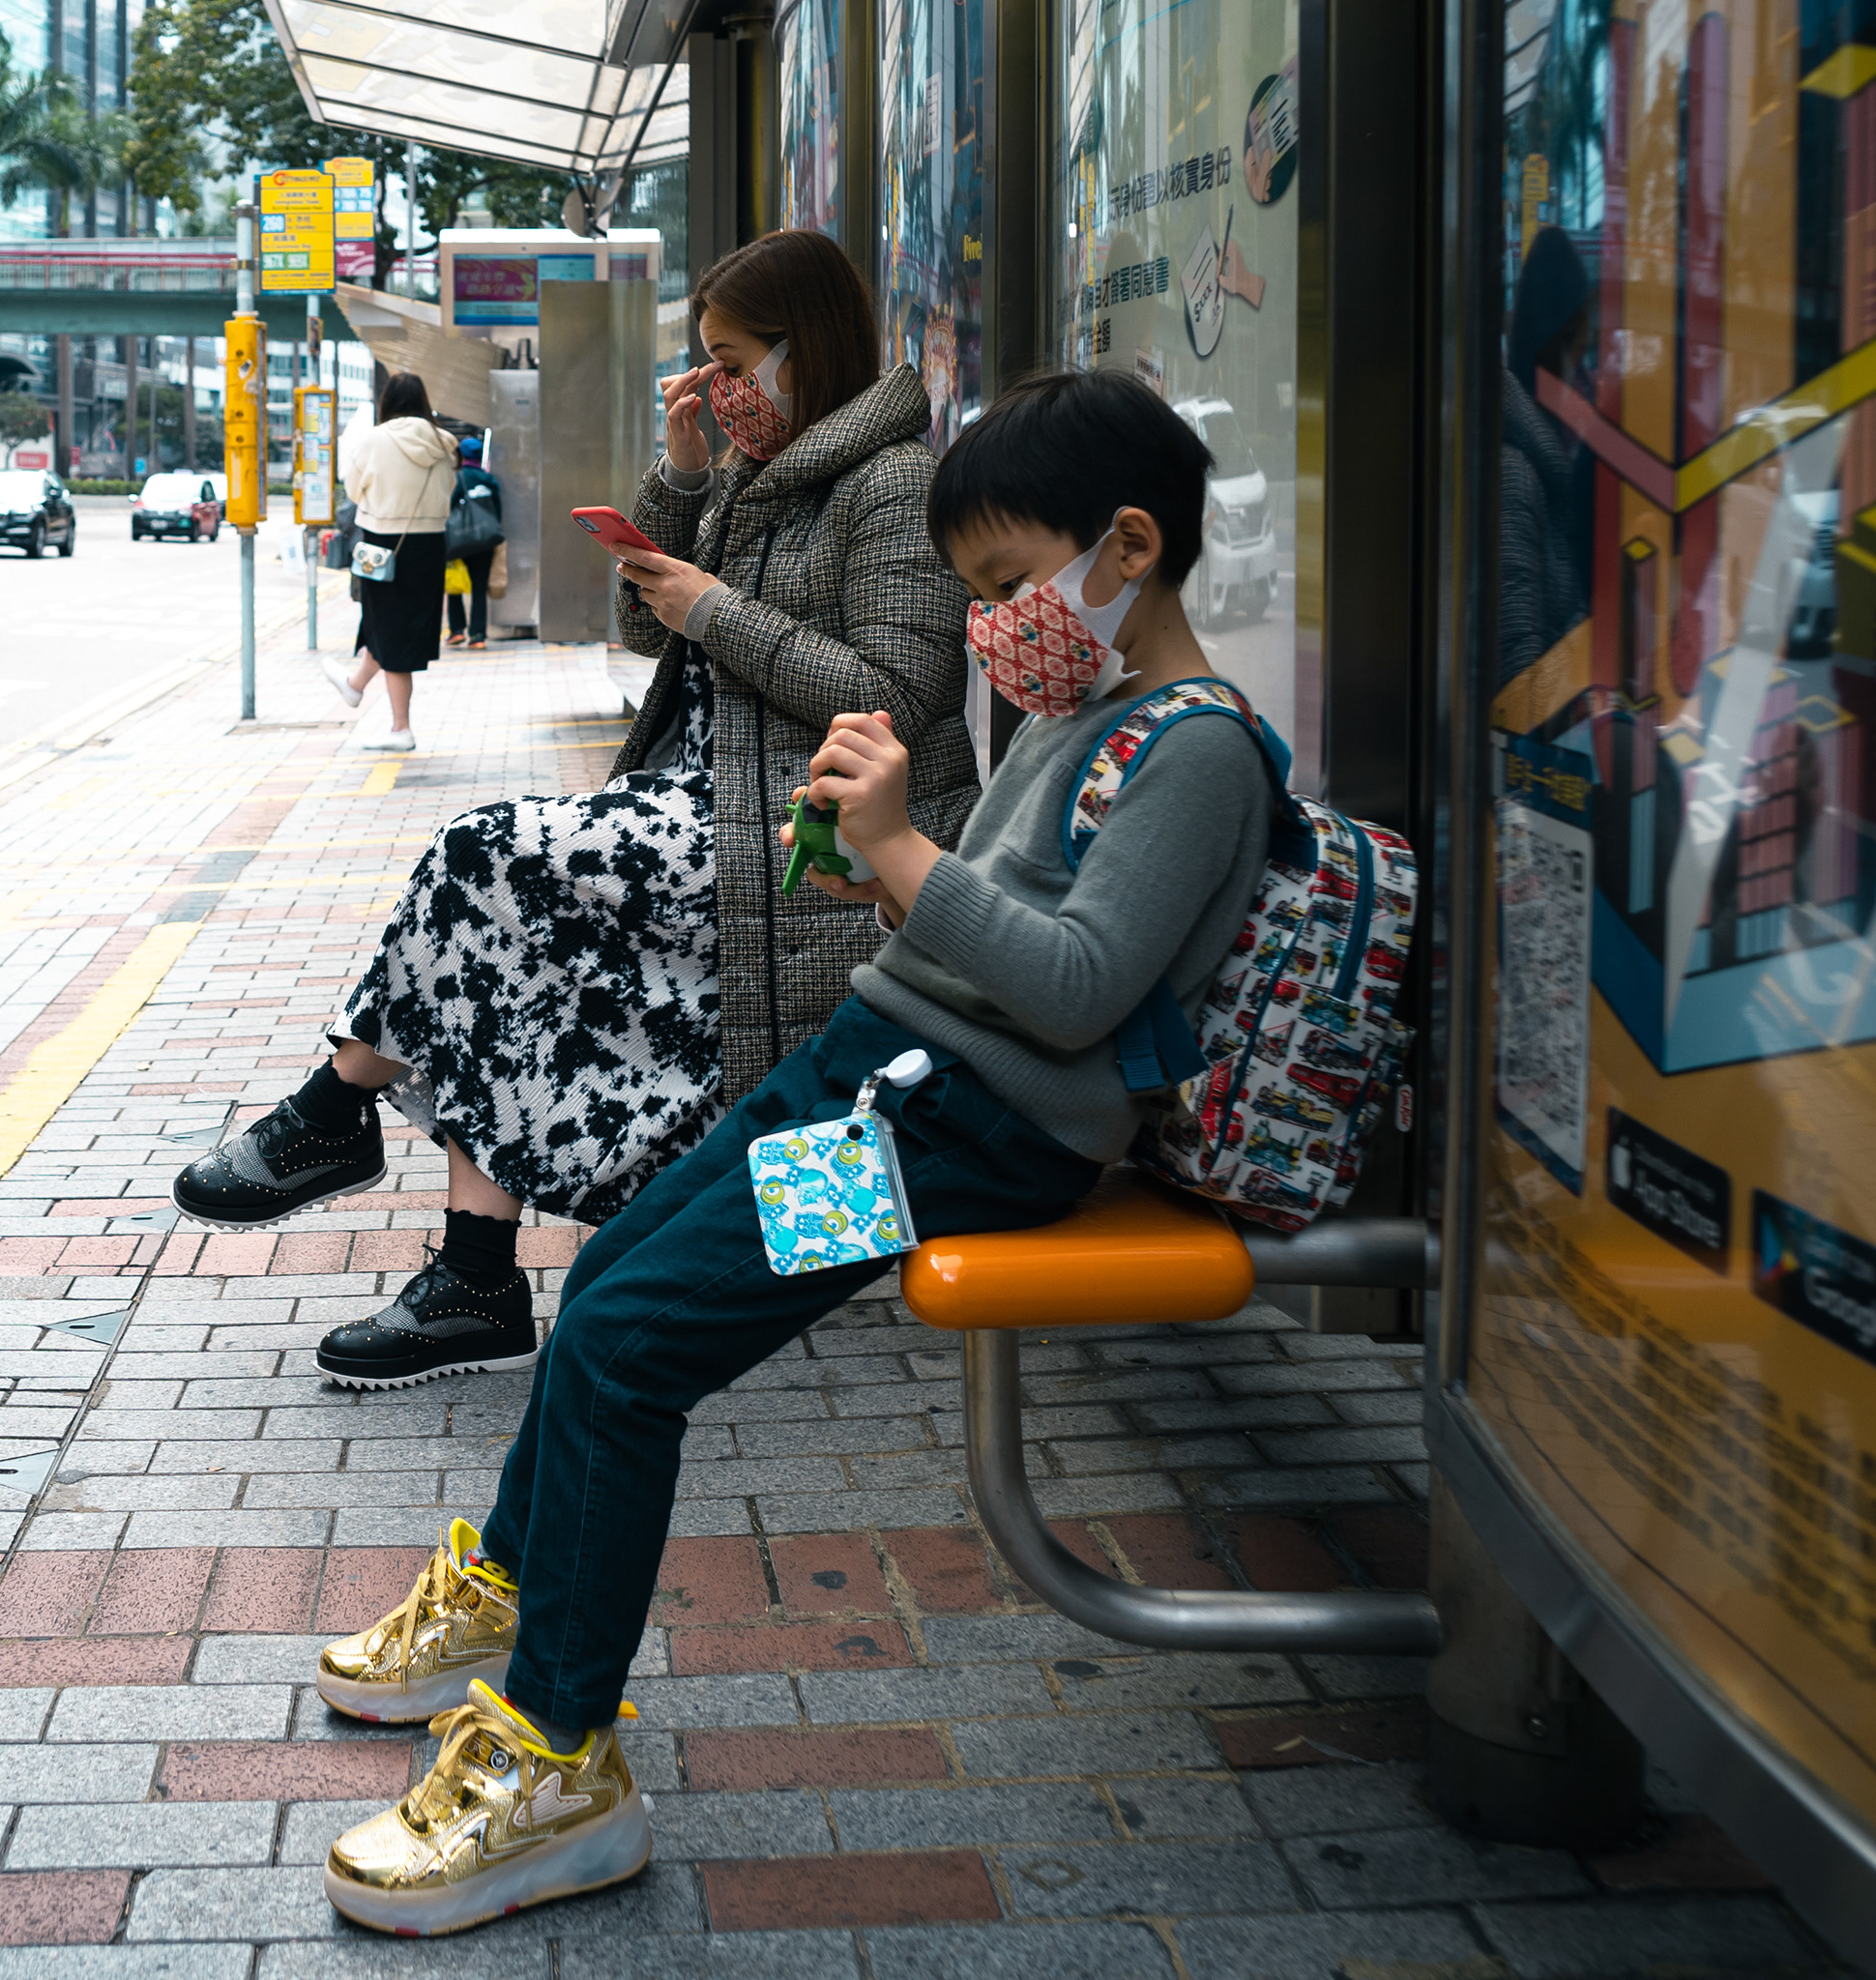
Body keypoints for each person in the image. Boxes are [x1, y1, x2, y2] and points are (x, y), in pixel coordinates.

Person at [309, 368, 1276, 1935]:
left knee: (629, 1344)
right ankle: (516, 1586)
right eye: (978, 594)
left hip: (955, 1134)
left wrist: (905, 853)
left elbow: (1084, 989)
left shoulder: (1200, 748)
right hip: (877, 1075)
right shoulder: (1083, 709)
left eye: (1011, 585)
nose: (994, 624)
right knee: (614, 1274)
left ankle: (558, 1753)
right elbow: (1002, 929)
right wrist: (885, 873)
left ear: (1132, 548)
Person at [175, 229, 975, 1386]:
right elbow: (648, 634)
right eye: (704, 365)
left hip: (792, 833)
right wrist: (685, 476)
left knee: (484, 855)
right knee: (499, 927)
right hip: (703, 803)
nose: (719, 387)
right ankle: (473, 1274)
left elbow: (897, 696)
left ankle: (340, 1111)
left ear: (813, 346)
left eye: (734, 361)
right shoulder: (761, 468)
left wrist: (713, 608)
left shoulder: (891, 481)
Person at [331, 370, 458, 750]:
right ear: (422, 401)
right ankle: (355, 686)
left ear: (387, 402)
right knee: (391, 626)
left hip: (382, 544)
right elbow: (448, 489)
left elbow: (352, 489)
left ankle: (400, 728)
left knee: (388, 625)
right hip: (430, 546)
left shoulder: (373, 440)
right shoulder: (445, 444)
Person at [444, 431, 504, 649]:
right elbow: (497, 510)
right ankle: (478, 635)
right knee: (479, 588)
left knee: (454, 586)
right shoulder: (489, 479)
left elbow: (449, 507)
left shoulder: (458, 477)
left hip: (460, 541)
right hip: (485, 541)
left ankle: (457, 631)